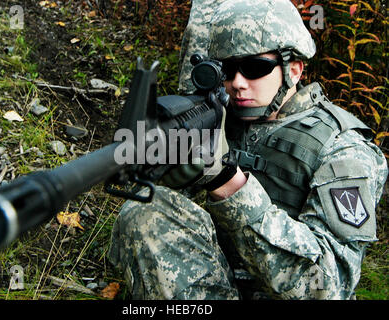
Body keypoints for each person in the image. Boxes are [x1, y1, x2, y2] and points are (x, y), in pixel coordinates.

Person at [108, 0, 388, 299]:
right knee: (146, 208)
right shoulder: (221, 117)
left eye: (255, 68)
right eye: (226, 70)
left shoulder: (343, 148)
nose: (238, 83)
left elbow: (328, 287)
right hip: (217, 284)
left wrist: (227, 183)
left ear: (293, 69)